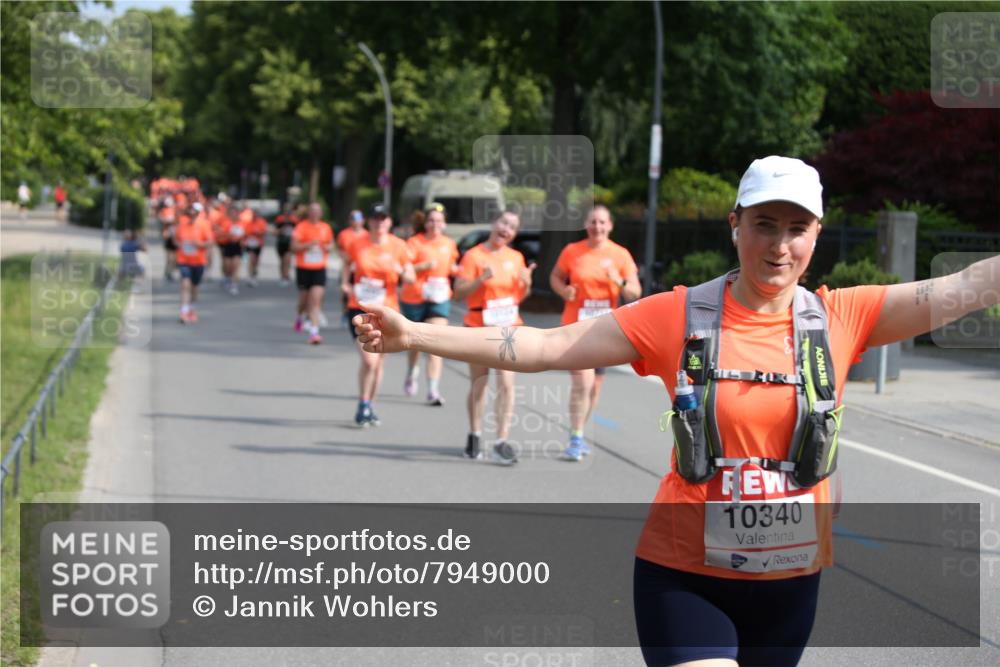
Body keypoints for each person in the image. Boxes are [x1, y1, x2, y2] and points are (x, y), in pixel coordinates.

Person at [353, 155, 1000, 666]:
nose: (779, 246)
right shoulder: (680, 315)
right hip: (684, 573)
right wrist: (415, 334)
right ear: (735, 225)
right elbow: (547, 345)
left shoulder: (842, 316)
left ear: (817, 235)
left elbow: (965, 288)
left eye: (796, 229)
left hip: (792, 579)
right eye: (764, 225)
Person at [550, 205, 641, 461]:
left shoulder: (620, 255)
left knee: (594, 388)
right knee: (583, 381)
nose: (597, 227)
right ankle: (576, 438)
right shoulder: (572, 251)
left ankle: (578, 431)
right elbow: (555, 277)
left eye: (602, 222)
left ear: (610, 226)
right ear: (586, 225)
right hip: (575, 328)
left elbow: (634, 292)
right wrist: (563, 290)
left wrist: (619, 281)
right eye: (592, 222)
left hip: (603, 329)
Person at [452, 211, 535, 464]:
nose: (507, 229)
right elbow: (458, 294)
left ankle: (501, 441)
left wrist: (527, 283)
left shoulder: (516, 257)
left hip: (509, 329)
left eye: (512, 227)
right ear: (494, 224)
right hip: (479, 326)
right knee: (480, 384)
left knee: (507, 385)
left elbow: (519, 297)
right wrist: (480, 279)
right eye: (504, 223)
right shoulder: (474, 255)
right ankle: (474, 435)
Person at [341, 204, 414, 426]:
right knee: (369, 360)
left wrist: (400, 270)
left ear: (389, 222)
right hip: (360, 307)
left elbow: (410, 278)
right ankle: (363, 403)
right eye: (375, 219)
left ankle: (369, 404)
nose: (379, 223)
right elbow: (347, 264)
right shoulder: (357, 242)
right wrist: (345, 283)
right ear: (368, 222)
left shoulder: (398, 246)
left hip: (388, 310)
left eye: (383, 219)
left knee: (380, 362)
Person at [400, 203, 459, 406]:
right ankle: (411, 371)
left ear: (444, 224)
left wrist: (461, 272)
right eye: (431, 220)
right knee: (415, 343)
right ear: (425, 223)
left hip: (439, 297)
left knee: (435, 342)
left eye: (439, 221)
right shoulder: (414, 243)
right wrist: (422, 267)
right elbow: (404, 269)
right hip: (414, 297)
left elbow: (452, 268)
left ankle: (433, 389)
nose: (435, 224)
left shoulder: (449, 244)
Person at [291, 202, 334, 345]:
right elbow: (293, 247)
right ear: (308, 213)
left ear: (321, 214)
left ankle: (314, 332)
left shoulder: (325, 228)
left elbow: (331, 245)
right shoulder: (301, 227)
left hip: (319, 268)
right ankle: (299, 316)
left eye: (317, 211)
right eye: (312, 211)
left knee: (315, 301)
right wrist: (307, 245)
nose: (315, 213)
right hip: (303, 268)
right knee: (303, 301)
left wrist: (327, 247)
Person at [174, 203, 214, 324]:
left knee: (194, 287)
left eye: (195, 211)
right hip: (184, 260)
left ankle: (192, 309)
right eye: (191, 210)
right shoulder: (182, 223)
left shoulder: (204, 224)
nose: (192, 213)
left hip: (198, 261)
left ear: (199, 213)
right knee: (185, 284)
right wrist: (179, 244)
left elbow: (210, 242)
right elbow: (175, 239)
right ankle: (183, 311)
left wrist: (199, 244)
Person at [337, 209, 370, 327]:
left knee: (359, 292)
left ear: (363, 221)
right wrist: (345, 257)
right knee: (345, 292)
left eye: (358, 219)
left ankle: (361, 314)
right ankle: (345, 313)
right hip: (348, 267)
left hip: (362, 269)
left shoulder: (367, 234)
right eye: (353, 219)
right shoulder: (344, 234)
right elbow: (340, 250)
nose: (355, 222)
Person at [274, 202, 299, 286]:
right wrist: (281, 231)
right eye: (286, 210)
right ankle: (282, 275)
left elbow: (299, 231)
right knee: (282, 261)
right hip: (281, 242)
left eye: (289, 210)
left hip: (290, 243)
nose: (287, 212)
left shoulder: (295, 220)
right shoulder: (279, 219)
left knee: (287, 259)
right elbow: (274, 232)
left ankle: (286, 276)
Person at [243, 209, 268, 287]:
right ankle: (250, 276)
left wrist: (258, 233)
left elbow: (264, 232)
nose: (254, 216)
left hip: (258, 244)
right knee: (251, 259)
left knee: (255, 261)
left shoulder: (262, 222)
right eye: (253, 214)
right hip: (249, 244)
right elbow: (245, 232)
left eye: (256, 214)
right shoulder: (248, 222)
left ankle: (254, 274)